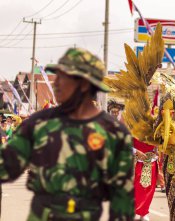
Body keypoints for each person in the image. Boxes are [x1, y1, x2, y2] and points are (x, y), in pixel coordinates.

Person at [0, 48, 134, 220]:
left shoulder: (114, 133)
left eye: (63, 78)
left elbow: (122, 200)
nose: (56, 83)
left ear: (84, 84)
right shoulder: (38, 124)